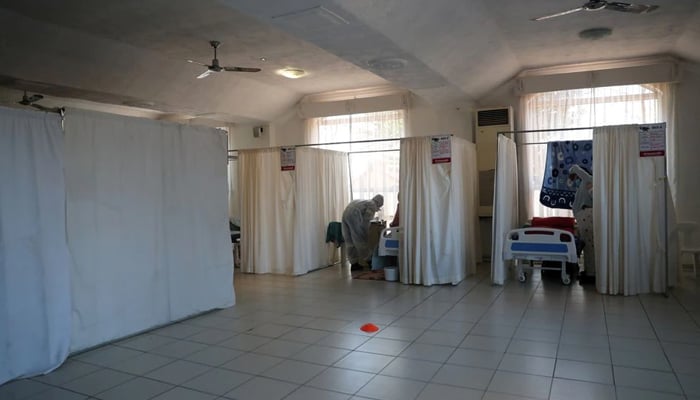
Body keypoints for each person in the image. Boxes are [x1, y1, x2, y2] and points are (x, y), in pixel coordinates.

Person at [341, 194, 384, 270]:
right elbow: (366, 221)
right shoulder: (372, 204)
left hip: (345, 213)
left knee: (349, 240)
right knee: (360, 240)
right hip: (354, 214)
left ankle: (354, 263)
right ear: (379, 203)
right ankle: (370, 261)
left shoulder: (364, 201)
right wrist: (364, 234)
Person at [569, 164, 595, 281]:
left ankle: (591, 274)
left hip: (586, 215)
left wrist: (572, 175)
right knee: (588, 245)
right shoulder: (585, 183)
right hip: (584, 216)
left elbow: (574, 168)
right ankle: (589, 271)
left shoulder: (588, 179)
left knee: (589, 246)